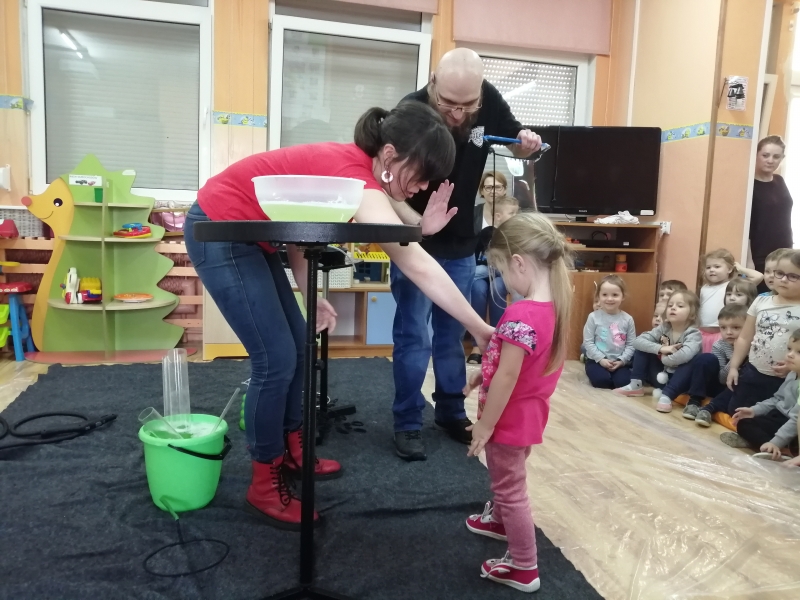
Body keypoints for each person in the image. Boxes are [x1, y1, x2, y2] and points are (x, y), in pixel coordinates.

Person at [185, 101, 494, 529]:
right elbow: (415, 263)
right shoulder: (356, 179)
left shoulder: (351, 172)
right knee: (275, 361)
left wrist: (309, 296)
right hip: (219, 228)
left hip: (253, 237)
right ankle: (263, 483)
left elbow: (298, 229)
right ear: (390, 155)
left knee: (297, 348)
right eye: (422, 174)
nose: (424, 186)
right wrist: (479, 327)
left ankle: (291, 450)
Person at [388, 47, 542, 460]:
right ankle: (407, 422)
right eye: (448, 104)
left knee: (451, 335)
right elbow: (386, 184)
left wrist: (526, 143)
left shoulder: (487, 98)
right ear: (432, 84)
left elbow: (517, 145)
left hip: (459, 242)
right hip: (414, 239)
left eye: (467, 106)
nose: (457, 114)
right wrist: (416, 226)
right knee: (413, 335)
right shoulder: (410, 110)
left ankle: (451, 412)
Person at [462, 213, 572, 594]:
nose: (504, 280)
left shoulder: (521, 313)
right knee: (507, 477)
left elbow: (508, 377)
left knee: (510, 488)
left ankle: (524, 565)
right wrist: (484, 374)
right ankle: (499, 520)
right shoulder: (553, 309)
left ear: (519, 263)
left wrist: (485, 425)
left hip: (507, 421)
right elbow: (520, 366)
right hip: (529, 416)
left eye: (501, 269)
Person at [724, 250, 800, 418]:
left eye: (793, 276)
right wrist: (734, 367)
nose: (783, 279)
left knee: (770, 418)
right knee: (736, 412)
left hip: (786, 379)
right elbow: (744, 337)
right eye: (780, 273)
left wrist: (792, 367)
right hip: (753, 371)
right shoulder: (761, 301)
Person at [614, 291, 703, 413]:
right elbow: (638, 341)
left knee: (691, 361)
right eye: (670, 305)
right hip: (662, 377)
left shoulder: (694, 334)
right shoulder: (664, 328)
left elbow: (684, 355)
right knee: (643, 346)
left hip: (681, 383)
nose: (673, 308)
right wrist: (661, 349)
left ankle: (667, 396)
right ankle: (636, 384)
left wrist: (664, 358)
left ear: (692, 314)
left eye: (680, 306)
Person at [726, 329, 800, 455]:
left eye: (799, 352)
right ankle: (769, 446)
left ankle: (776, 448)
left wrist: (776, 442)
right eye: (789, 349)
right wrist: (754, 410)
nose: (790, 355)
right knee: (744, 423)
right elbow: (777, 399)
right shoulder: (792, 374)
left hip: (792, 425)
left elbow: (796, 419)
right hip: (777, 417)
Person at [467, 194, 519, 364]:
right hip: (483, 272)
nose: (515, 216)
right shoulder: (486, 233)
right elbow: (475, 257)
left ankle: (498, 341)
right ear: (498, 216)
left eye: (516, 213)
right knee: (477, 288)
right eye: (511, 213)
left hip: (505, 275)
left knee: (497, 286)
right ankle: (476, 345)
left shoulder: (517, 235)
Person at [672, 304, 746, 421]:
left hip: (731, 392)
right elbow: (722, 379)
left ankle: (709, 409)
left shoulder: (752, 348)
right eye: (723, 327)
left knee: (742, 381)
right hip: (718, 385)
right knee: (705, 358)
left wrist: (741, 351)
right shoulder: (719, 345)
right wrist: (735, 357)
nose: (728, 332)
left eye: (736, 328)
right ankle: (694, 401)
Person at [749, 136, 794, 294]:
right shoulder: (749, 185)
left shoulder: (779, 181)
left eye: (776, 156)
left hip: (785, 253)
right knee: (763, 299)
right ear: (756, 155)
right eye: (765, 155)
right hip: (761, 257)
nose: (770, 160)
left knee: (783, 298)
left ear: (782, 158)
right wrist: (749, 261)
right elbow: (746, 226)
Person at [697, 249, 763, 354]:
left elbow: (758, 276)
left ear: (729, 269)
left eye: (717, 266)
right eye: (708, 267)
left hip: (721, 334)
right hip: (703, 333)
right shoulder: (704, 288)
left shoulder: (732, 286)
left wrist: (740, 268)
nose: (711, 270)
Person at [582, 275, 636, 389]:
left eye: (615, 295)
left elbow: (631, 345)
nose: (610, 299)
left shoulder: (628, 319)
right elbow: (588, 342)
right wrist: (601, 359)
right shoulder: (593, 317)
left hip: (619, 362)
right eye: (605, 295)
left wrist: (622, 361)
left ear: (623, 296)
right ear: (598, 296)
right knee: (601, 381)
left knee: (623, 383)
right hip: (596, 360)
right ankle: (587, 362)